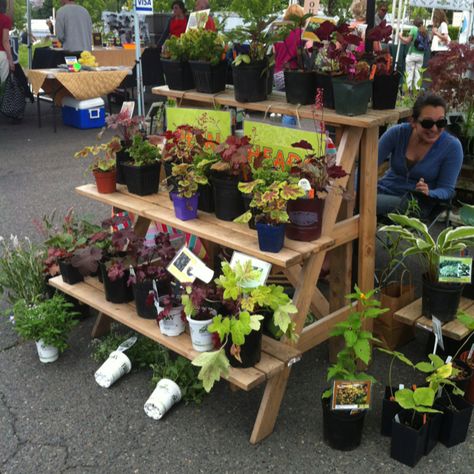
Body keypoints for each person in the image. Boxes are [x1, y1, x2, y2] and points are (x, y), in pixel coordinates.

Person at [377, 93, 463, 219]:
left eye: (441, 123)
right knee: (351, 201)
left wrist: (429, 192)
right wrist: (354, 190)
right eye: (427, 123)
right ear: (413, 121)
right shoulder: (397, 133)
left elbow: (447, 190)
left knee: (365, 203)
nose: (434, 128)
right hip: (384, 190)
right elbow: (367, 167)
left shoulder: (452, 146)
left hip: (417, 202)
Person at [273, 3, 305, 91]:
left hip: (277, 76)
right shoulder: (302, 33)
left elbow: (274, 53)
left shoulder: (278, 32)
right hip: (293, 76)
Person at [399, 18, 427, 91]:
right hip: (421, 55)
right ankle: (417, 90)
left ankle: (408, 90)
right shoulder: (424, 30)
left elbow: (407, 41)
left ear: (414, 23)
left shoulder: (414, 29)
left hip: (412, 54)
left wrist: (400, 36)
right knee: (418, 73)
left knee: (409, 72)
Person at [0, 0, 14, 84]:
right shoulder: (5, 19)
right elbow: (5, 41)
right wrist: (11, 59)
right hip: (1, 54)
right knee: (3, 85)